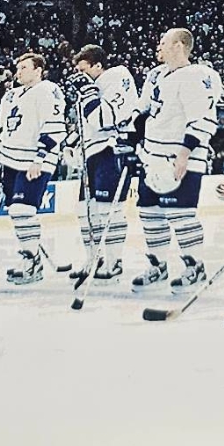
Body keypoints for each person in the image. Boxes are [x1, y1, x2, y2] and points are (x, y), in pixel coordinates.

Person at [130, 28, 221, 295]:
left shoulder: (196, 75)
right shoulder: (155, 75)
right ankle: (157, 265)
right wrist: (134, 133)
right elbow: (143, 109)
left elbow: (203, 118)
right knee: (149, 213)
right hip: (152, 156)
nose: (158, 45)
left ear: (179, 46)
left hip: (180, 156)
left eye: (164, 41)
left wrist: (184, 153)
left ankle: (195, 266)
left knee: (180, 214)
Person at [0, 52, 66, 284]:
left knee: (22, 210)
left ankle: (32, 261)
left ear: (38, 70)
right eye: (18, 68)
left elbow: (54, 127)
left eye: (24, 67)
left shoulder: (48, 90)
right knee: (16, 212)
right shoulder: (10, 95)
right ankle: (28, 255)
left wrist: (39, 158)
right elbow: (3, 130)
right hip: (11, 160)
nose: (19, 72)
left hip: (35, 160)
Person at [71, 45, 136, 283]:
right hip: (92, 152)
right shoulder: (93, 87)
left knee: (109, 210)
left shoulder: (117, 77)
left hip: (112, 148)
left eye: (84, 70)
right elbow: (87, 124)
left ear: (98, 65)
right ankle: (94, 258)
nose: (80, 76)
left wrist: (88, 92)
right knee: (84, 211)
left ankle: (114, 261)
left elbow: (103, 119)